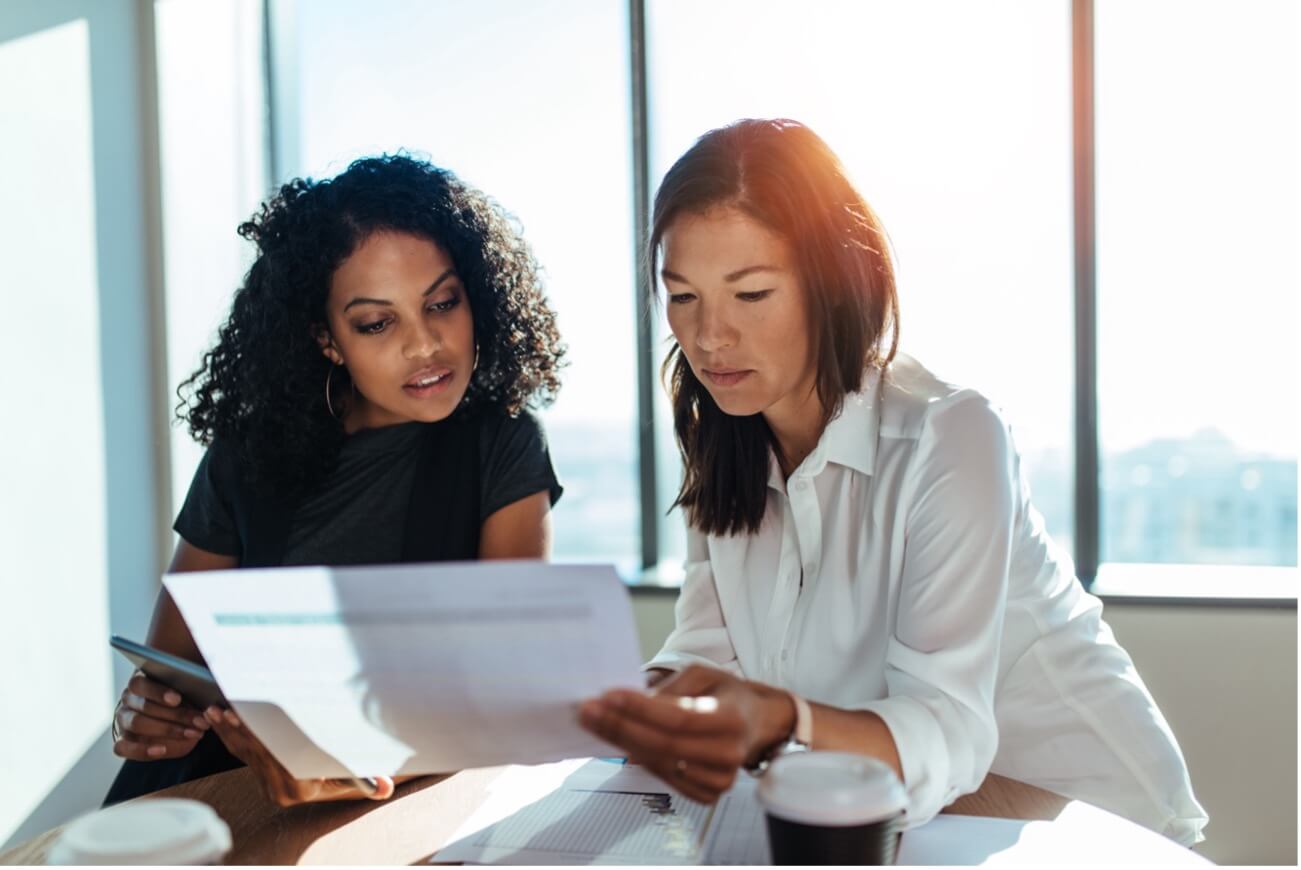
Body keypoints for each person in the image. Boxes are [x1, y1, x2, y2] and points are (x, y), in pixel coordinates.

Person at [578, 119, 1207, 845]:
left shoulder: (949, 433)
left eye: (750, 294)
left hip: (1066, 808)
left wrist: (781, 719)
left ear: (833, 286)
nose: (709, 336)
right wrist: (638, 702)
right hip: (873, 795)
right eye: (682, 296)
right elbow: (707, 651)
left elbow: (946, 729)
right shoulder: (723, 435)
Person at [107, 154, 566, 807]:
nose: (426, 344)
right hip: (214, 800)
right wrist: (145, 717)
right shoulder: (245, 455)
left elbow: (504, 691)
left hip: (399, 799)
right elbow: (172, 676)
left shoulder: (502, 444)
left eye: (442, 302)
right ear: (327, 340)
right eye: (377, 322)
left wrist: (355, 765)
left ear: (477, 294)